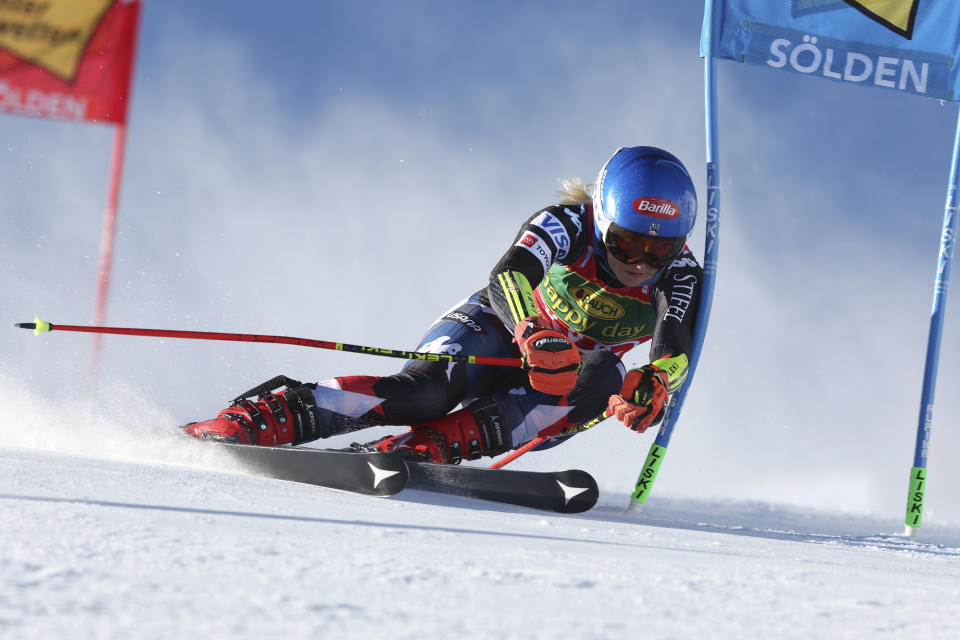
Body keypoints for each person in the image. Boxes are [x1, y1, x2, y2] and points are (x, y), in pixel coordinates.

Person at [182, 146, 702, 464]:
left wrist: (654, 385)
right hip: (500, 330)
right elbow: (510, 275)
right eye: (628, 241)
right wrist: (531, 331)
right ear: (602, 218)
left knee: (603, 373)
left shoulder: (682, 275)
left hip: (553, 386)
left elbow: (673, 347)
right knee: (426, 394)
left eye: (661, 247)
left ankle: (430, 449)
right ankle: (265, 418)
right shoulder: (567, 222)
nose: (641, 260)